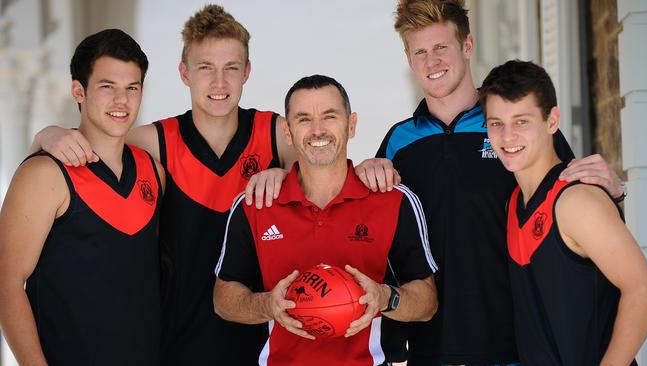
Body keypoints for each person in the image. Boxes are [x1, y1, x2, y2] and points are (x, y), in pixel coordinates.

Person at [350, 1, 627, 365]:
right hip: (430, 348)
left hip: (518, 346)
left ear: (467, 46)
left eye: (441, 48)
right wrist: (364, 174)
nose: (431, 63)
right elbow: (368, 232)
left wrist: (616, 193)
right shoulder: (399, 142)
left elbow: (572, 208)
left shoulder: (511, 130)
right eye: (420, 52)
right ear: (408, 58)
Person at [31, 5, 296, 365]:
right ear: (184, 73)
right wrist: (46, 135)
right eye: (205, 68)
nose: (219, 83)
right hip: (175, 343)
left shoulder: (275, 133)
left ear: (246, 72)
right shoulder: (155, 141)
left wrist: (287, 175)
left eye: (231, 68)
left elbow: (325, 167)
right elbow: (78, 145)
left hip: (262, 339)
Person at [213, 74, 438, 366]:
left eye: (329, 116)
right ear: (287, 131)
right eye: (304, 119)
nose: (318, 130)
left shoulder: (393, 200)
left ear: (351, 124)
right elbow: (224, 299)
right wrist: (267, 305)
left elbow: (427, 303)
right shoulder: (256, 204)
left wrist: (384, 298)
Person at [0, 29, 164, 365]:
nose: (122, 101)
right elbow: (6, 283)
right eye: (107, 87)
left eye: (131, 88)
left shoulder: (153, 172)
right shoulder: (44, 174)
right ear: (79, 90)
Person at [480, 59, 647, 366]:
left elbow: (643, 289)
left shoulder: (575, 201)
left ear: (552, 120)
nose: (507, 138)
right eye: (496, 124)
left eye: (521, 121)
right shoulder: (513, 204)